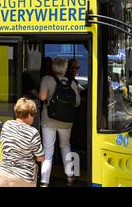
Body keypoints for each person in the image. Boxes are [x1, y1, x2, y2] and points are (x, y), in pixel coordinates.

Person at [39, 57, 81, 187]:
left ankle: (44, 181)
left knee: (48, 151)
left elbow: (42, 97)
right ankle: (70, 176)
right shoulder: (72, 83)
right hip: (66, 122)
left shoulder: (46, 79)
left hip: (49, 121)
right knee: (65, 146)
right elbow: (77, 103)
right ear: (65, 68)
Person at [0, 97, 45, 187]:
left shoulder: (6, 125)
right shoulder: (32, 132)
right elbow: (40, 158)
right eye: (33, 115)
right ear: (29, 115)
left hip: (3, 174)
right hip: (23, 177)